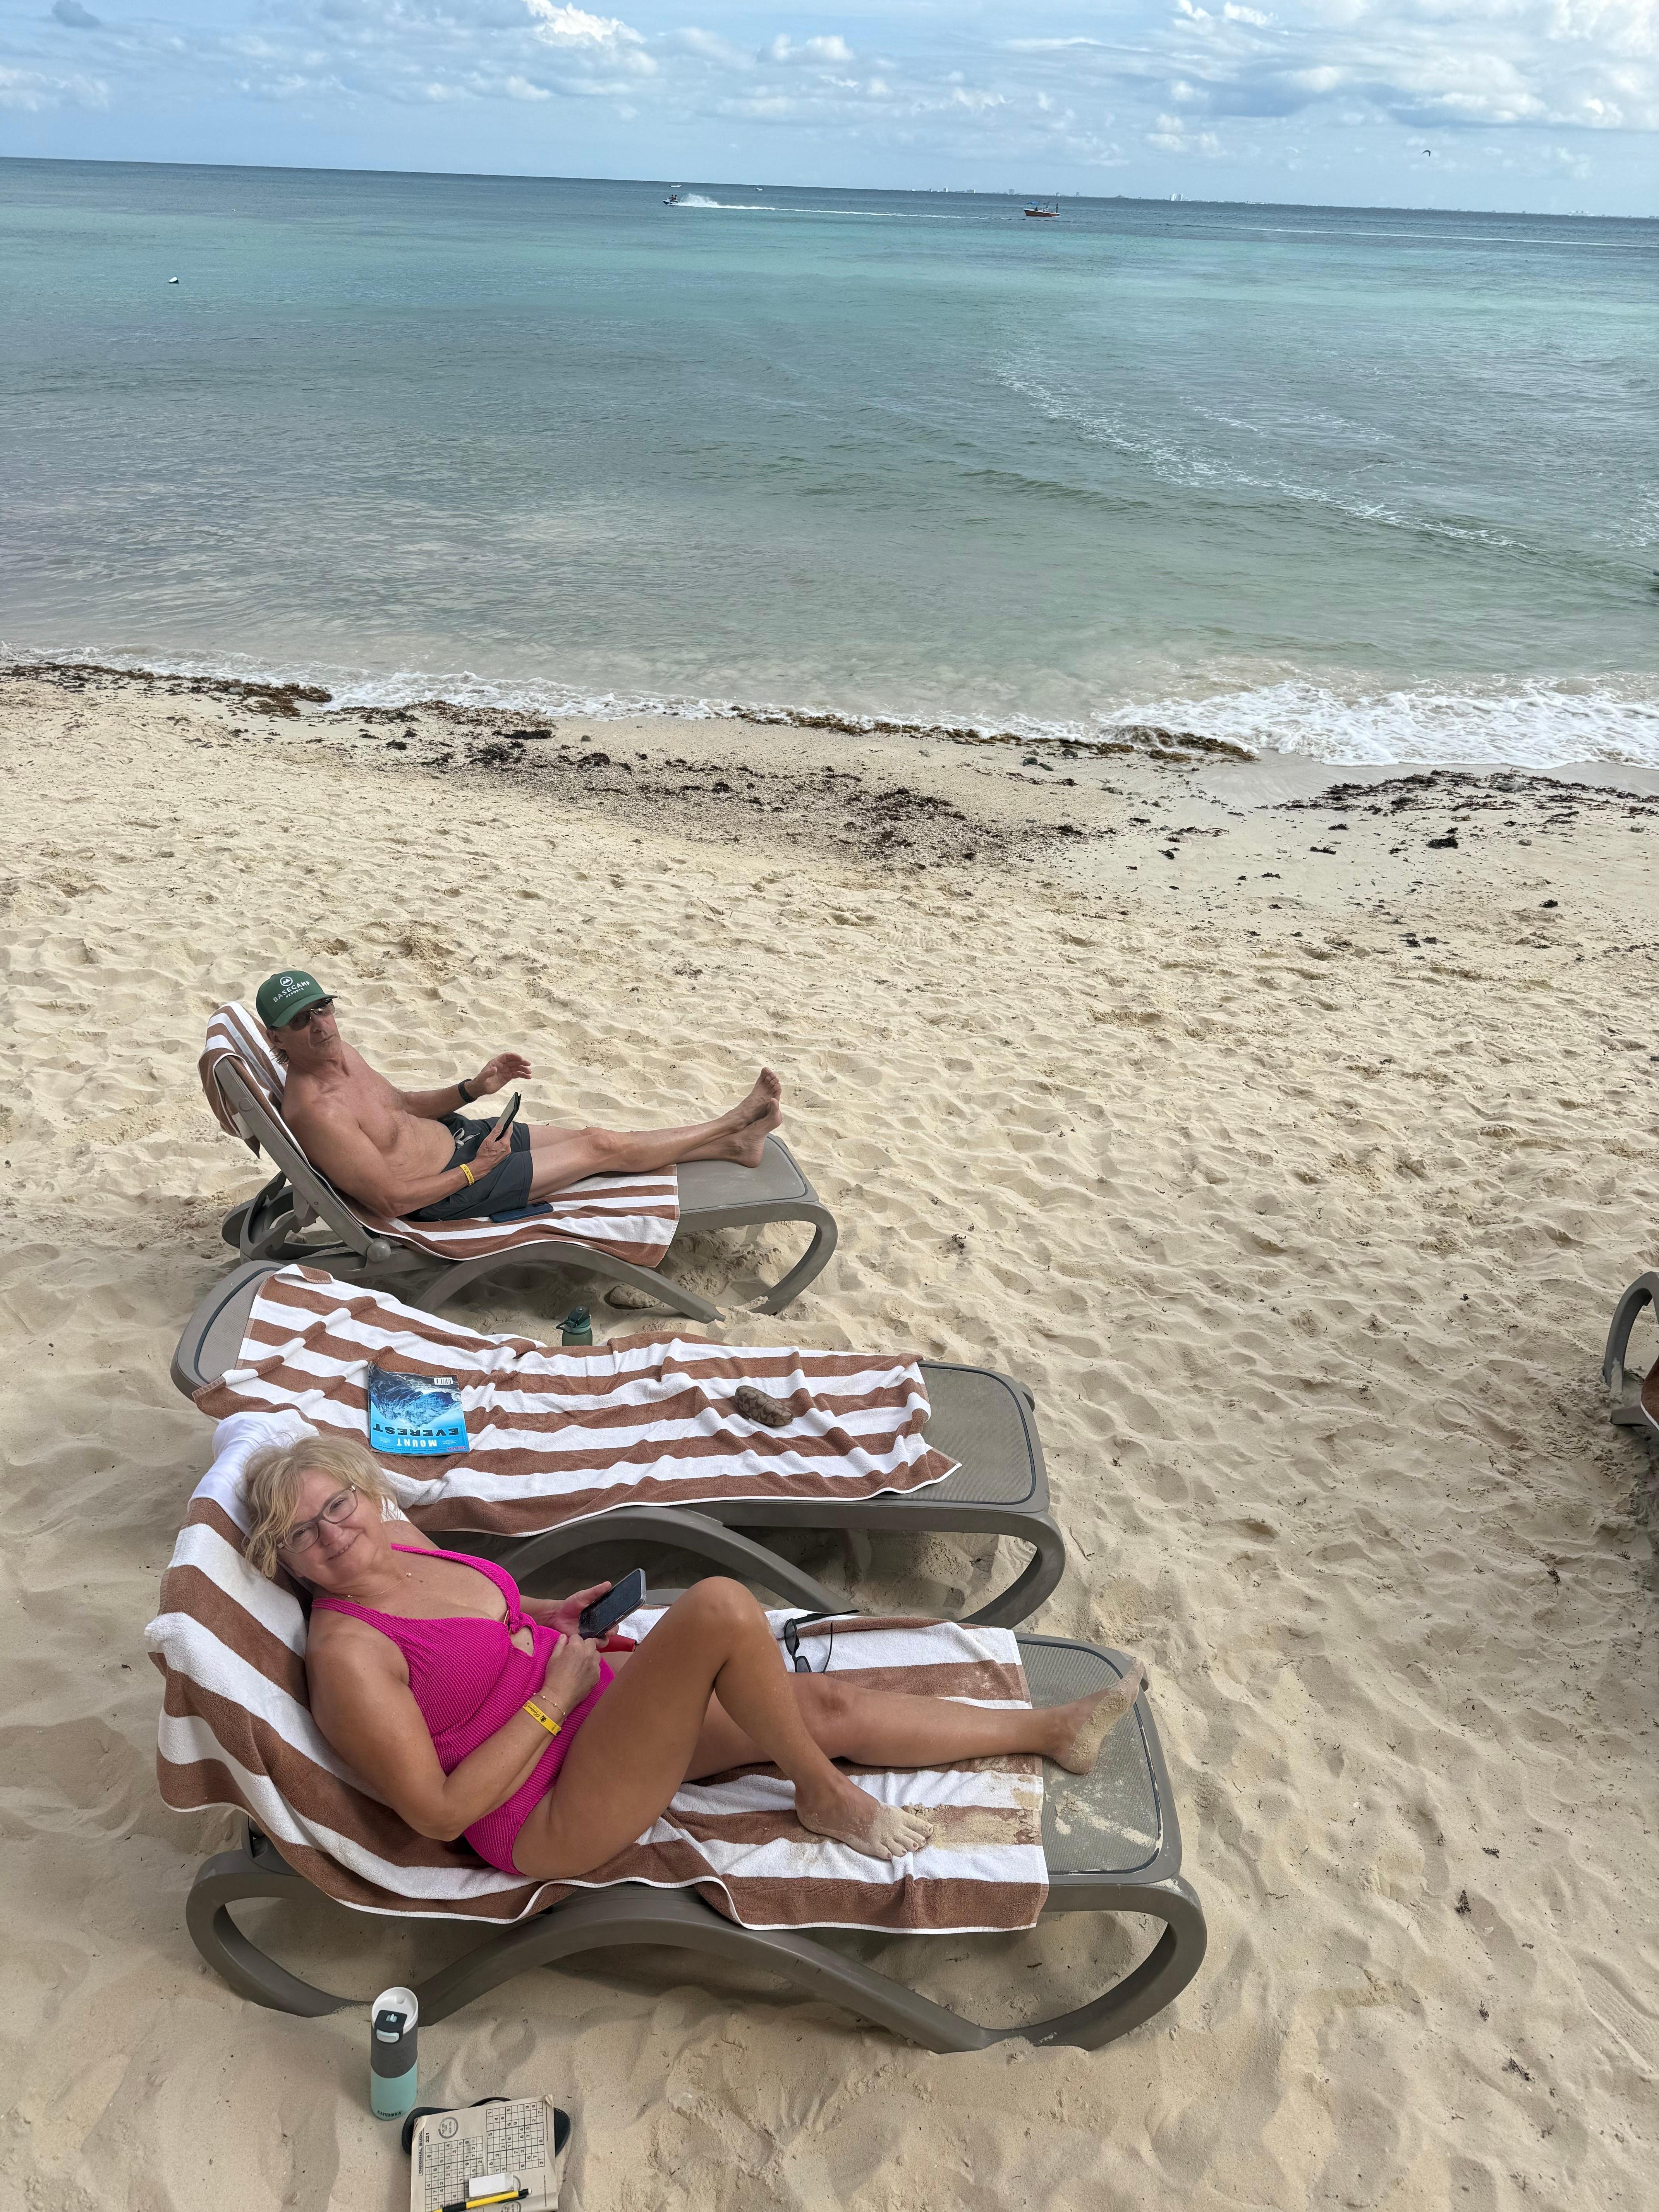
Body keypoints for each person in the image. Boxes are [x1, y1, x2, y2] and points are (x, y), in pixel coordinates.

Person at [246, 1435, 1149, 1881]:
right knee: (719, 1608)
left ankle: (1052, 1728)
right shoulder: (350, 1659)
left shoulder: (400, 1544)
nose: (332, 1534)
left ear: (365, 1494)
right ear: (280, 1559)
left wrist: (543, 1613)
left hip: (583, 1706)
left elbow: (488, 1613)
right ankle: (822, 1793)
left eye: (338, 1507)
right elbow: (438, 1812)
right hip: (544, 1809)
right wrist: (550, 1703)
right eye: (301, 1533)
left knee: (821, 1709)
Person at [252, 969, 782, 1222]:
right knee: (601, 1146)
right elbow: (390, 1199)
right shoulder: (317, 1110)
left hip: (466, 1141)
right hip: (453, 1189)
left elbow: (404, 1109)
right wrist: (477, 1171)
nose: (320, 1025)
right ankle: (734, 1121)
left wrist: (472, 1089)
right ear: (277, 1038)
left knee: (604, 1138)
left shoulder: (341, 1055)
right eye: (301, 1021)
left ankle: (736, 1147)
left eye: (323, 1007)